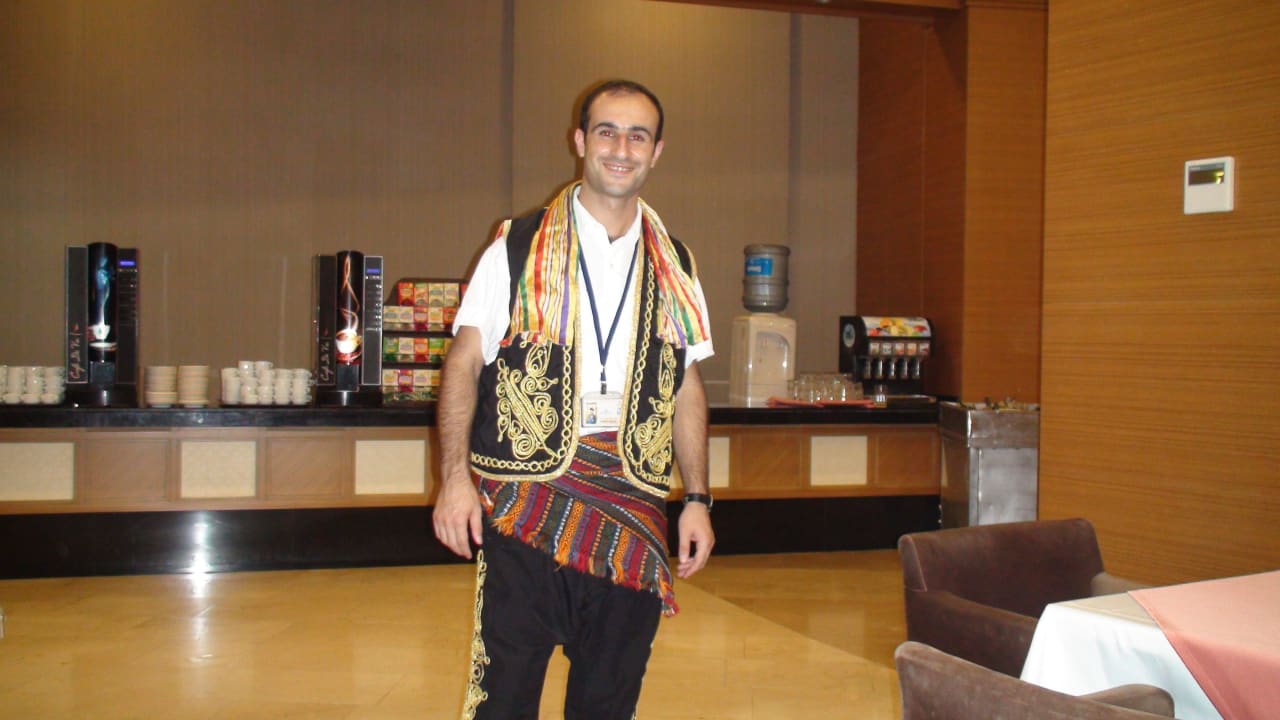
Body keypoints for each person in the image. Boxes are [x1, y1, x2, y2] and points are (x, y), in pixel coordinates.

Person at [432, 79, 715, 720]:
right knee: (503, 697)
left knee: (609, 700)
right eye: (608, 132)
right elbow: (464, 362)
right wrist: (453, 478)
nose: (622, 148)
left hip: (634, 502)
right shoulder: (517, 244)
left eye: (638, 135)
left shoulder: (677, 262)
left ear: (656, 151)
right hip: (525, 501)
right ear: (581, 141)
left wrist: (697, 499)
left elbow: (686, 385)